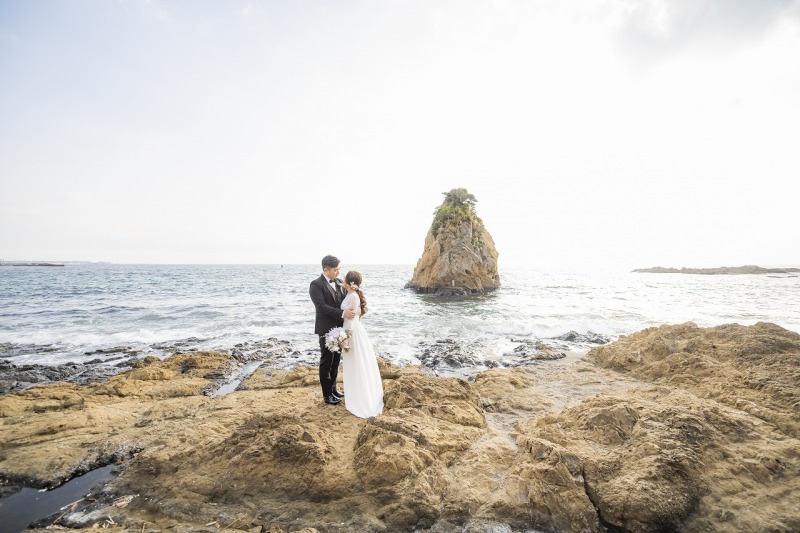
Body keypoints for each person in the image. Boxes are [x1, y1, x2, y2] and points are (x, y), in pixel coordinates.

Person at [309, 255, 355, 405]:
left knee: (336, 361)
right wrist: (342, 314)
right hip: (325, 329)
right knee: (326, 362)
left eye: (339, 269)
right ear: (325, 270)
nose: (338, 272)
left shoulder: (340, 282)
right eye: (335, 270)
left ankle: (334, 389)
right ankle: (327, 394)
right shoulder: (316, 285)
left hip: (341, 329)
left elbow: (345, 301)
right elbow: (321, 306)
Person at [340, 270, 384, 418]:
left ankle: (360, 399)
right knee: (357, 363)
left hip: (352, 333)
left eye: (345, 278)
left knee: (355, 364)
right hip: (356, 331)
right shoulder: (353, 294)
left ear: (349, 282)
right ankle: (358, 395)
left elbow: (351, 320)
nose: (342, 279)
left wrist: (345, 337)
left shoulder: (353, 296)